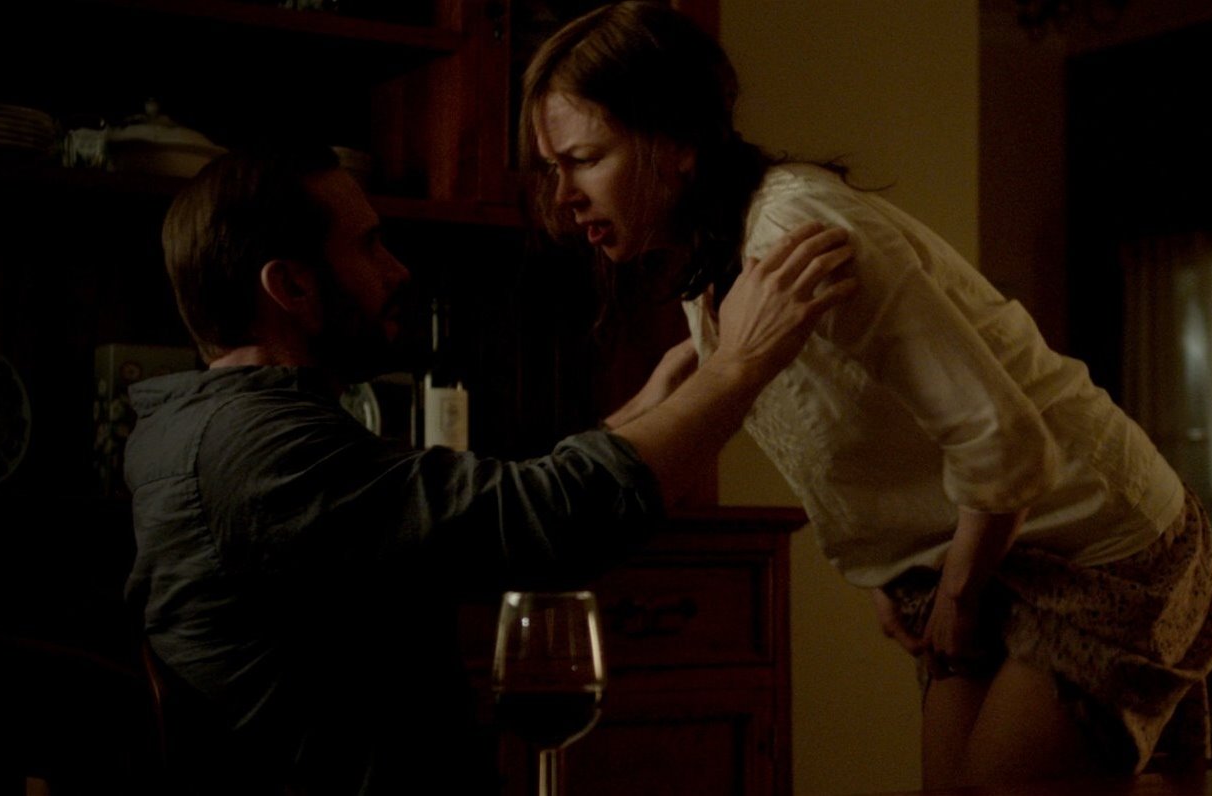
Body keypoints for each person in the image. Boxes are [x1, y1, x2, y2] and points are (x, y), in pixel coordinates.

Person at [519, 2, 1212, 788]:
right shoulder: (710, 261)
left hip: (1092, 540)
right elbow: (816, 406)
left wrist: (955, 592)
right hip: (984, 549)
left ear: (677, 141)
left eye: (584, 159)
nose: (564, 194)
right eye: (552, 168)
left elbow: (1005, 438)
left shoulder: (793, 228)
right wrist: (896, 567)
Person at [125, 143, 855, 794]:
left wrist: (640, 411)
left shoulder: (216, 430)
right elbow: (547, 524)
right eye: (370, 246)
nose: (397, 269)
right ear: (292, 286)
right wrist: (740, 365)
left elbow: (469, 508)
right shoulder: (256, 448)